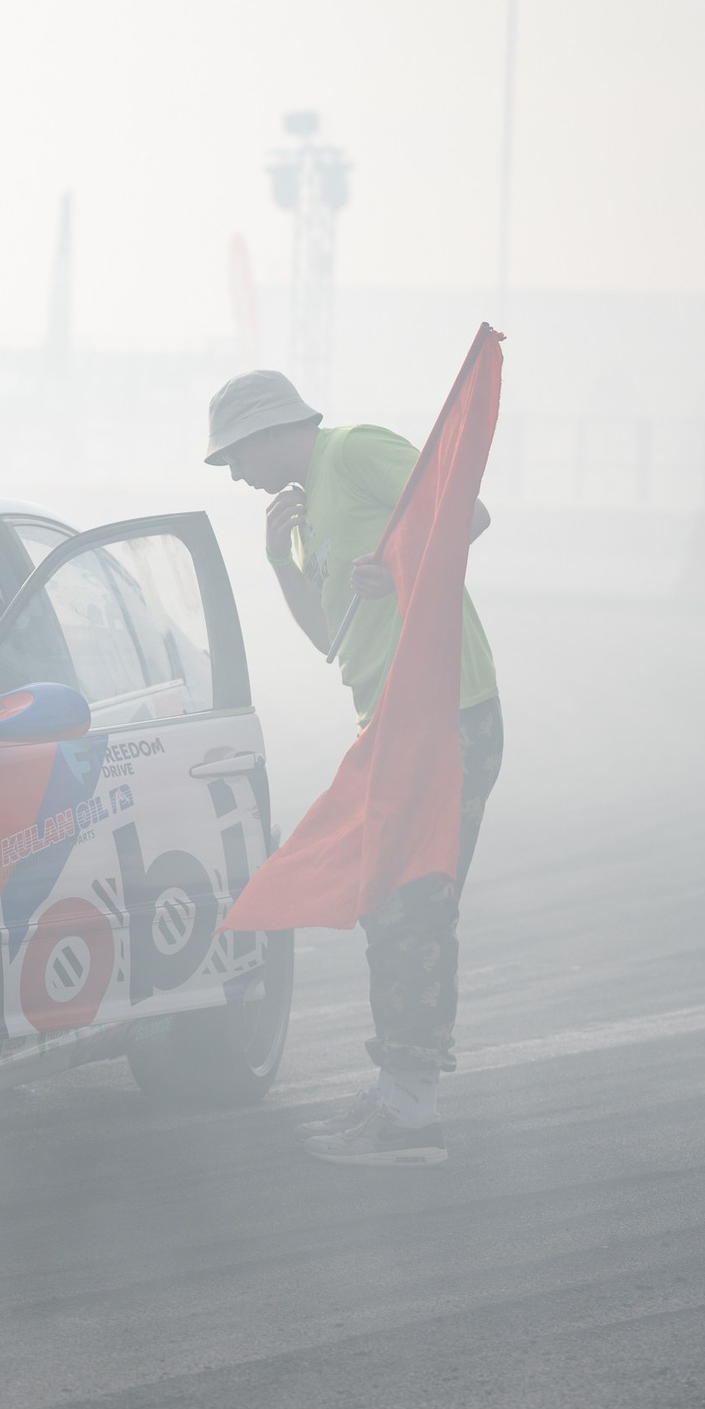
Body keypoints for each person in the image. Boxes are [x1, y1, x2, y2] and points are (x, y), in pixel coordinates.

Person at [203, 368, 504, 1167]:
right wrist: (279, 560)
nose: (236, 476)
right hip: (393, 726)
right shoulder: (301, 514)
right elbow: (329, 638)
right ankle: (401, 1101)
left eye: (234, 456)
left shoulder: (357, 450)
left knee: (412, 905)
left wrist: (402, 565)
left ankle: (412, 1119)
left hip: (447, 712)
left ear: (270, 432)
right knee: (387, 902)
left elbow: (466, 512)